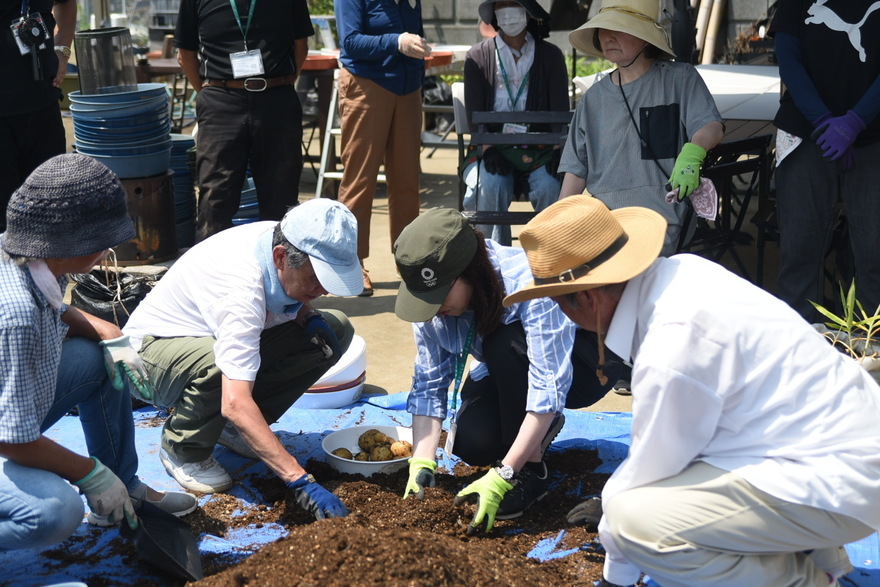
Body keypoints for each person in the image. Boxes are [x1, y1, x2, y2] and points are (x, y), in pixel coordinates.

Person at [504, 195, 880, 587]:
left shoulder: (669, 345)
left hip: (839, 481)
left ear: (588, 297)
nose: (562, 317)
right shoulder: (685, 271)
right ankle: (820, 560)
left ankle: (805, 581)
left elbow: (650, 475)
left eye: (557, 304)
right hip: (841, 446)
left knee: (636, 521)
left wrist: (616, 572)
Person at [0, 154, 198, 550]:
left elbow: (57, 306)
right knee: (55, 512)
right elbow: (12, 438)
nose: (109, 250)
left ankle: (127, 488)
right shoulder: (16, 313)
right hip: (8, 430)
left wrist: (109, 331)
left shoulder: (24, 255)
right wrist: (90, 473)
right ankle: (107, 486)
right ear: (70, 243)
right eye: (103, 242)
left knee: (101, 360)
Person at [123, 198, 361, 520]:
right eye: (317, 279)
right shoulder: (240, 289)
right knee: (221, 368)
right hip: (148, 358)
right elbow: (234, 401)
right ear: (281, 257)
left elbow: (283, 301)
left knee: (334, 330)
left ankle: (232, 430)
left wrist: (306, 312)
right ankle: (184, 448)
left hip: (208, 339)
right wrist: (299, 479)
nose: (325, 290)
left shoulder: (282, 240)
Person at [393, 207, 619, 532]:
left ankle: (532, 469)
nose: (434, 310)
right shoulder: (434, 310)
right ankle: (531, 432)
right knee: (474, 445)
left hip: (581, 364)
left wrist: (504, 475)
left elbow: (548, 385)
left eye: (439, 294)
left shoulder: (528, 283)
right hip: (506, 367)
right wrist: (422, 462)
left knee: (503, 340)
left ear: (469, 271)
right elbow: (430, 385)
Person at [559, 0, 724, 256]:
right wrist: (559, 220)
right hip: (603, 219)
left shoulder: (680, 79)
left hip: (660, 219)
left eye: (620, 28)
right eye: (603, 28)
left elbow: (711, 125)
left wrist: (693, 152)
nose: (609, 37)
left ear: (646, 38)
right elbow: (575, 170)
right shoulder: (592, 99)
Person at [770, 0, 880, 321]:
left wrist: (856, 121)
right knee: (799, 253)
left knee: (874, 255)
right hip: (804, 135)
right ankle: (802, 348)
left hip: (873, 138)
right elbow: (788, 58)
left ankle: (872, 350)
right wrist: (823, 121)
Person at [174, 0, 313, 242]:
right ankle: (212, 273)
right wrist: (210, 91)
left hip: (276, 99)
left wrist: (277, 82)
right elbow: (185, 53)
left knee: (282, 196)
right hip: (221, 101)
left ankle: (280, 273)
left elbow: (301, 45)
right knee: (215, 197)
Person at [334, 0, 430, 296]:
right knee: (359, 180)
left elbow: (417, 29)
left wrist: (417, 51)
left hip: (407, 88)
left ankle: (408, 260)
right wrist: (397, 42)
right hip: (366, 86)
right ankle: (351, 263)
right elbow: (350, 41)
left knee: (406, 181)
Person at [461, 0, 569, 246]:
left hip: (542, 147)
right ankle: (490, 259)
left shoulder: (550, 55)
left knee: (551, 188)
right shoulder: (477, 57)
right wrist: (487, 149)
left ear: (528, 13)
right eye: (502, 5)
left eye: (515, 4)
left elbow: (560, 112)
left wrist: (556, 151)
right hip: (492, 147)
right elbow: (474, 116)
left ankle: (550, 256)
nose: (508, 13)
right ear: (495, 15)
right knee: (490, 185)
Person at [0, 0, 75, 232]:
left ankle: (46, 268)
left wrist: (62, 50)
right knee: (5, 220)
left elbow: (67, 3)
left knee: (50, 209)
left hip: (43, 102)